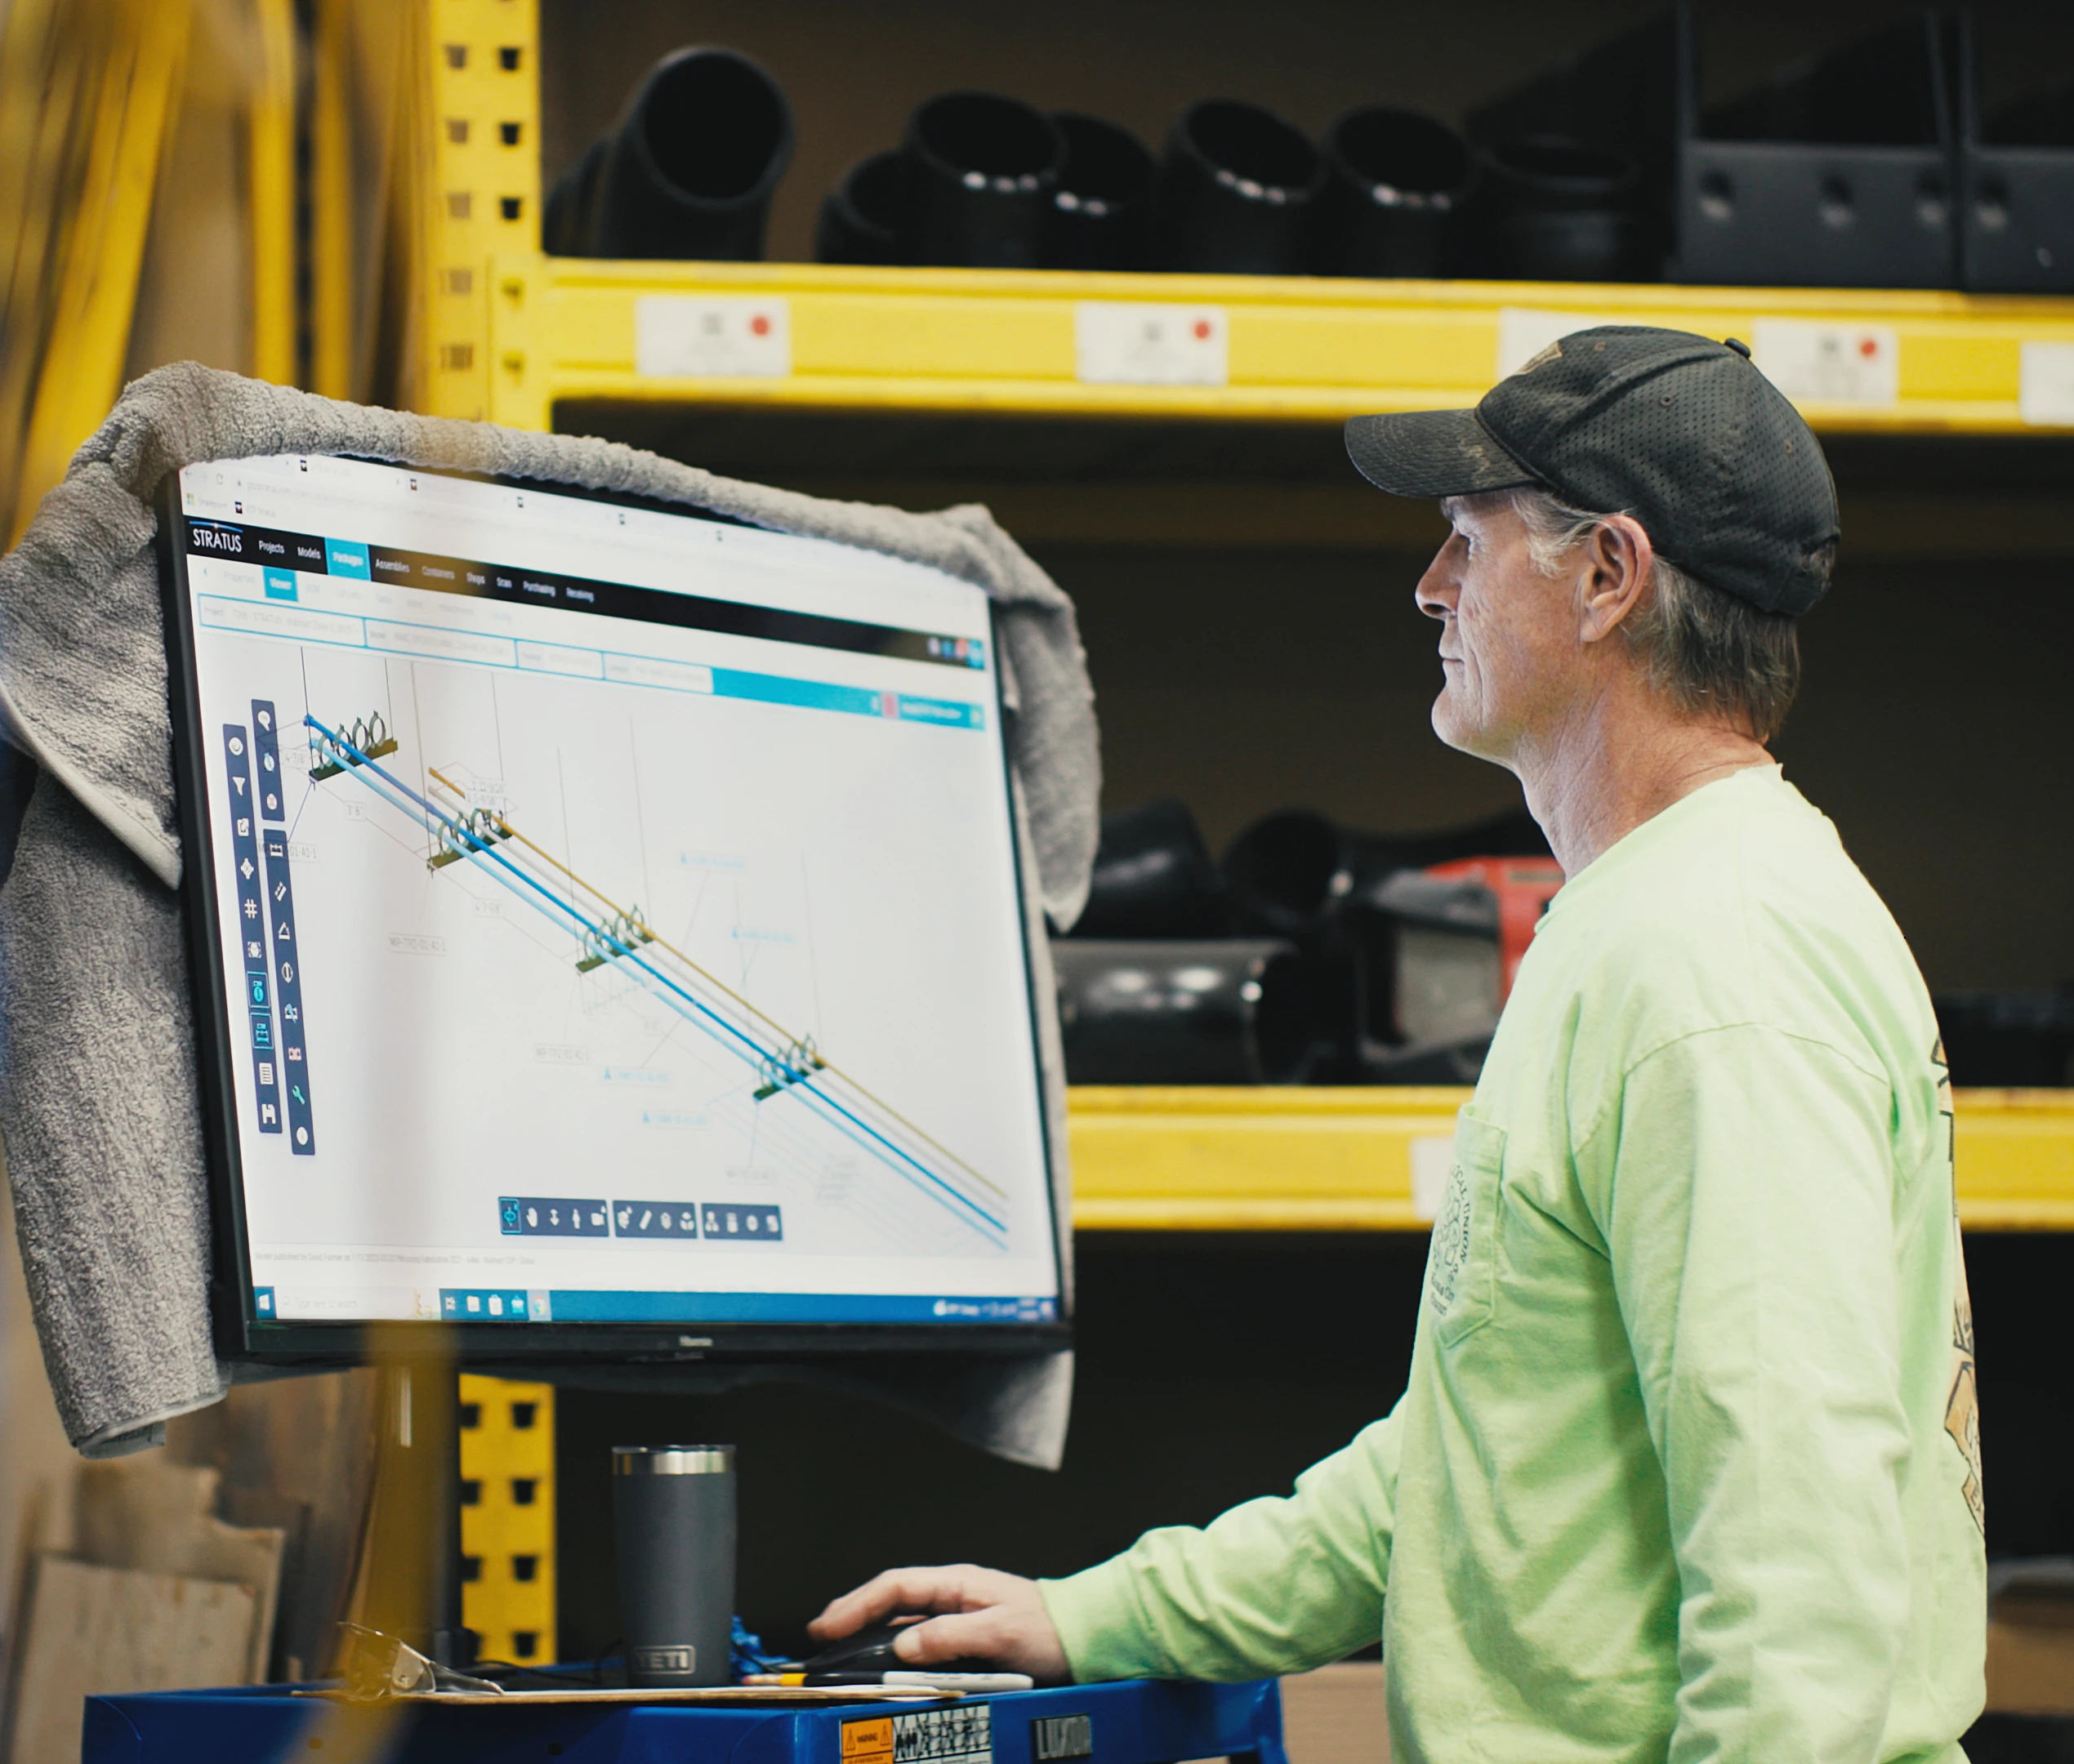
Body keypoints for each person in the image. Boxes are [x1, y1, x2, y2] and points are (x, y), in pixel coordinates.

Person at [810, 327, 1987, 1763]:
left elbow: (1796, 1577)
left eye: (1466, 540)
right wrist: (1100, 1617)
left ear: (1608, 575)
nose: (1429, 585)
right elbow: (1474, 1470)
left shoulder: (1714, 967)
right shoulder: (1643, 927)